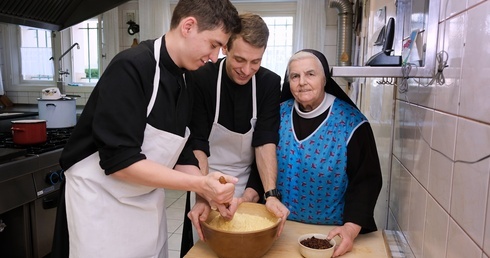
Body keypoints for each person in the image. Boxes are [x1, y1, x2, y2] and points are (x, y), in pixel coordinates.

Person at [50, 1, 241, 257]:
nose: (214, 57)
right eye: (213, 44)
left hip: (144, 204)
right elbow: (119, 161)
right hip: (99, 204)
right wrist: (199, 184)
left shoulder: (188, 78)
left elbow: (180, 150)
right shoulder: (131, 67)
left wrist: (209, 192)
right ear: (188, 26)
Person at [180, 13, 289, 257]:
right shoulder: (201, 79)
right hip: (205, 177)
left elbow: (265, 142)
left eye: (256, 62)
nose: (247, 70)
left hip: (249, 182)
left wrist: (266, 194)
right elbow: (197, 142)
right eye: (240, 59)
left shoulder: (269, 83)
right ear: (225, 47)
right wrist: (204, 195)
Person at [278, 49, 382, 257]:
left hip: (333, 232)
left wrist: (350, 230)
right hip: (281, 228)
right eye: (295, 76)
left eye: (310, 74)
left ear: (325, 79)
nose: (302, 82)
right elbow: (259, 163)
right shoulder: (275, 114)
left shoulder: (352, 123)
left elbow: (366, 182)